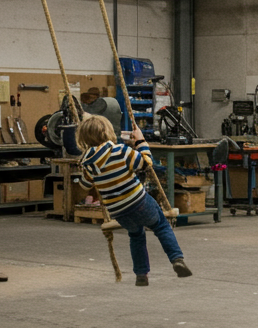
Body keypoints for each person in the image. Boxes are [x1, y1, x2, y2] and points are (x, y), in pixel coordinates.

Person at [75, 113, 192, 286]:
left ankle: (141, 275)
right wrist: (140, 142)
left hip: (118, 211)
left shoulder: (87, 164)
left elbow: (84, 185)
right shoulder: (120, 150)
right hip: (139, 202)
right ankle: (176, 259)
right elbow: (146, 163)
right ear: (107, 132)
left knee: (136, 235)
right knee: (161, 226)